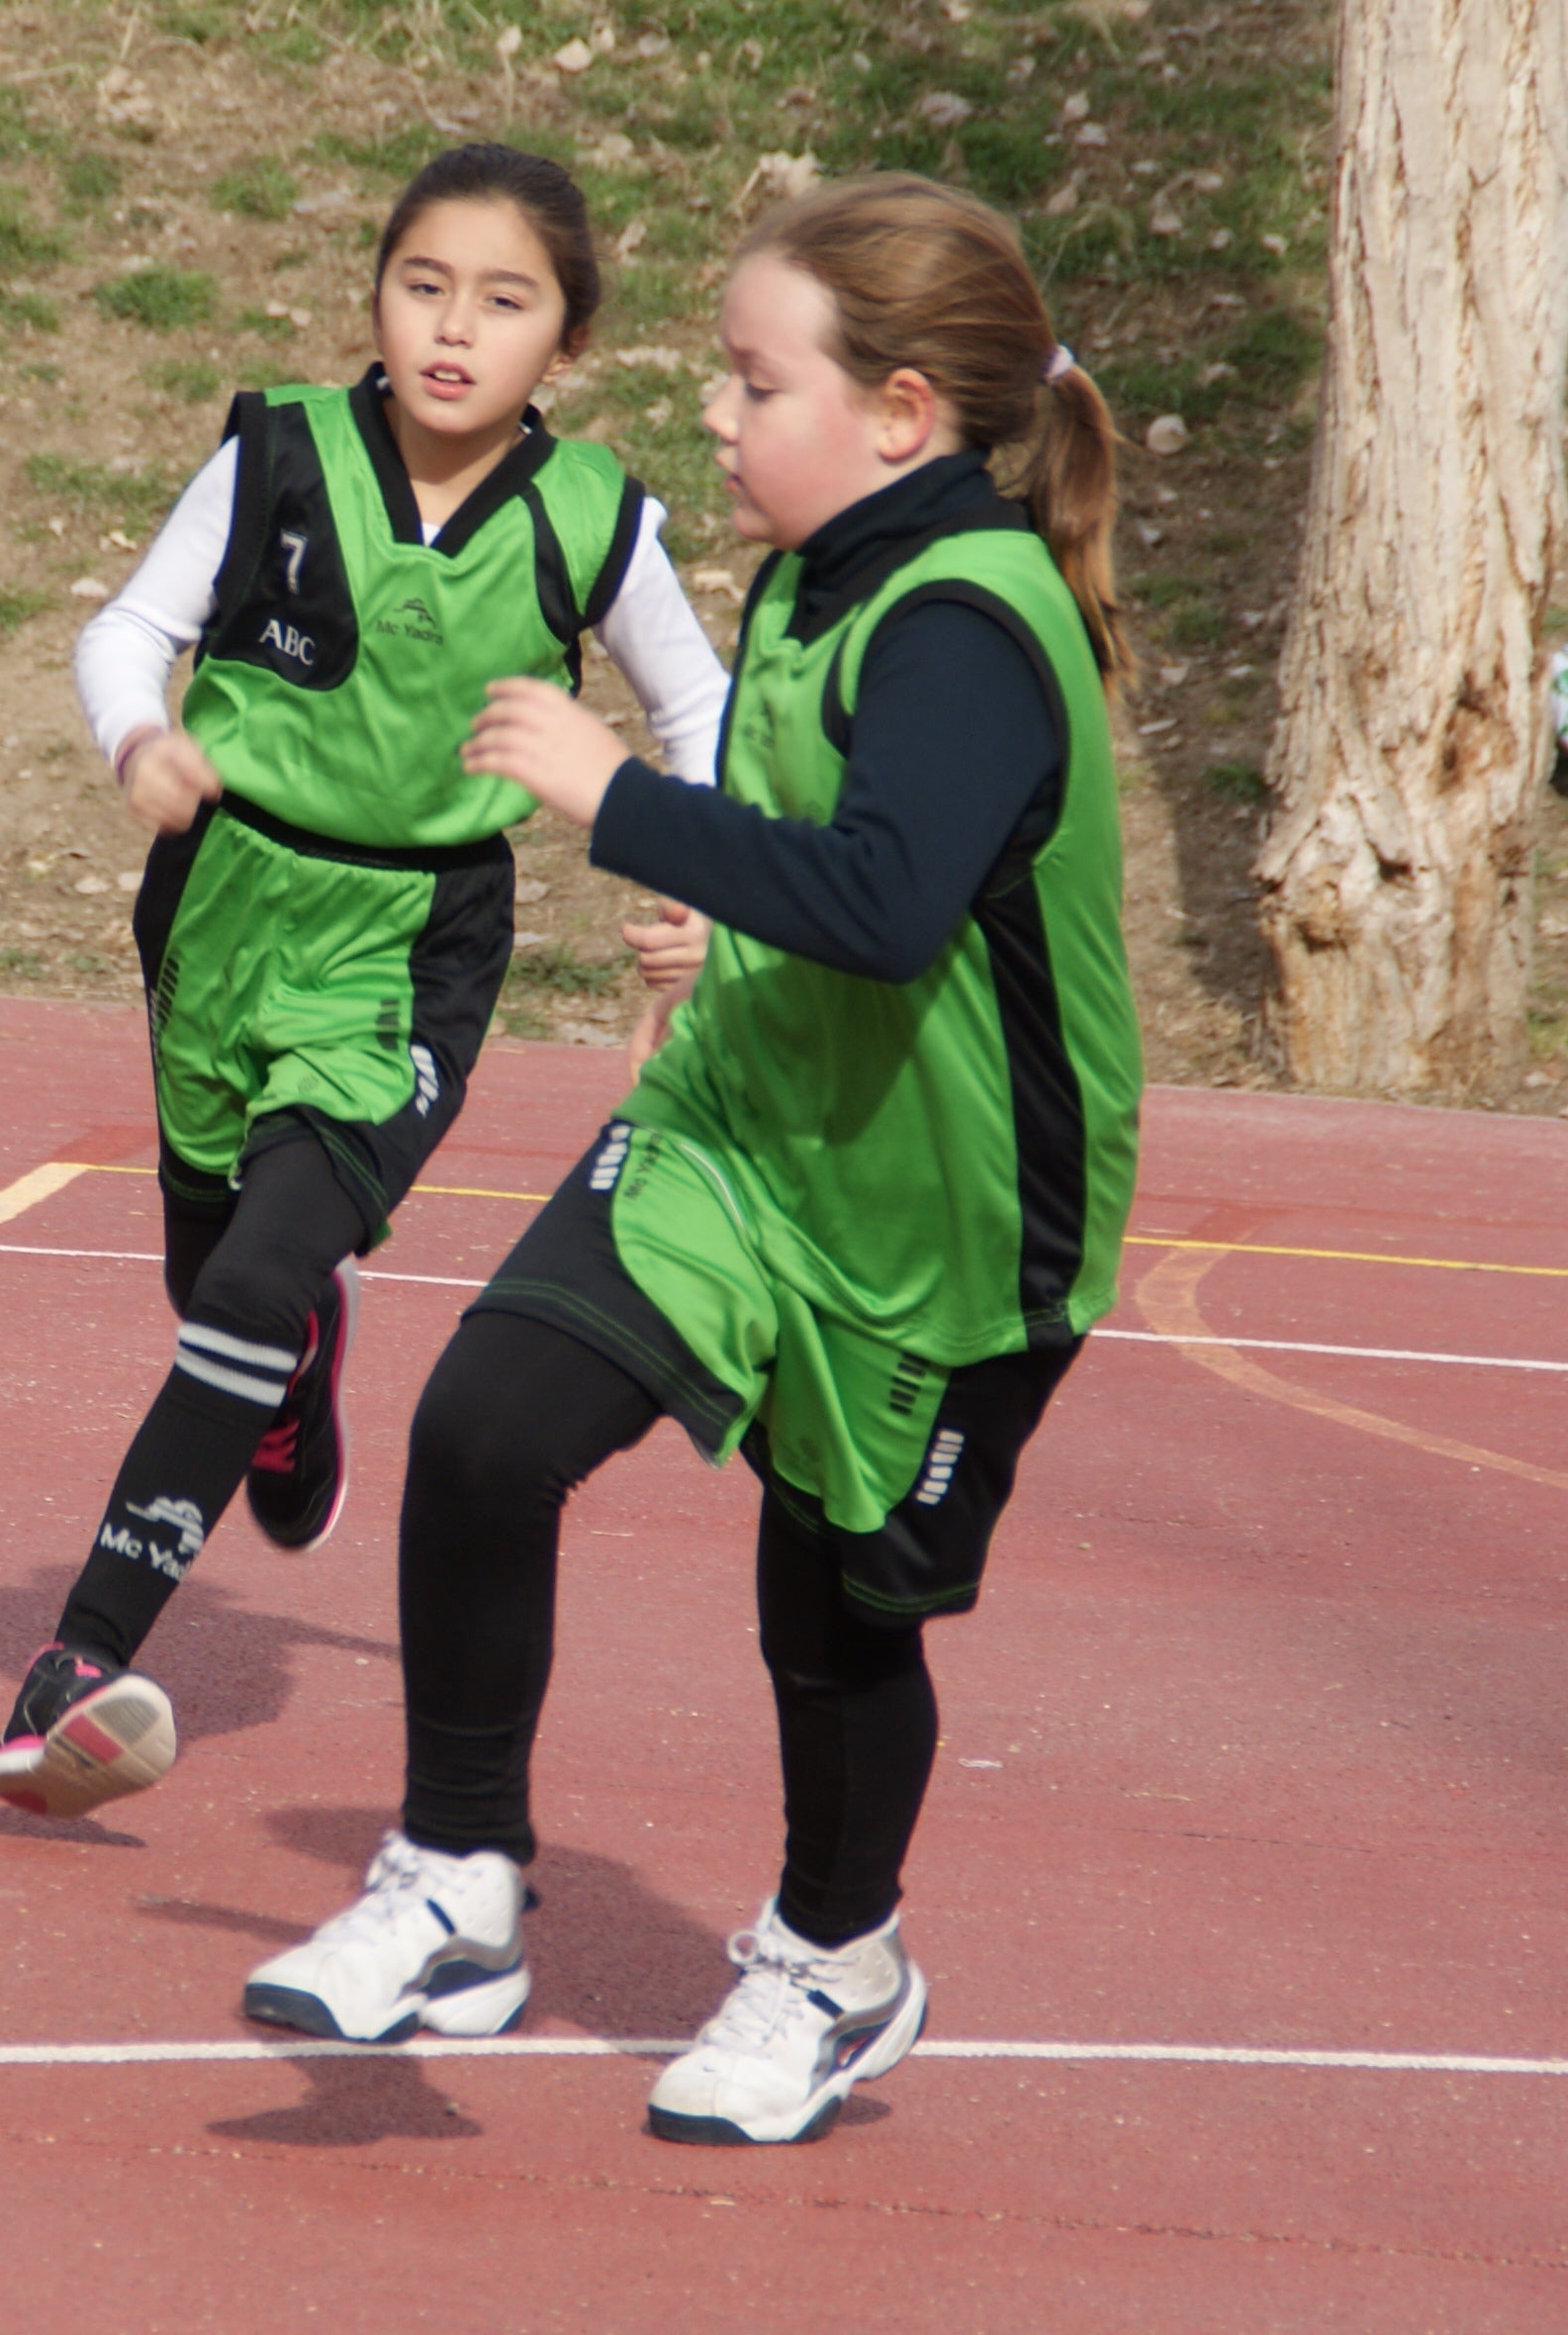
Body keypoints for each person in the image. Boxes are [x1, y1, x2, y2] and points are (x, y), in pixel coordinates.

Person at [239, 173, 1144, 2149]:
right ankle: (459, 1879)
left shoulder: (969, 620)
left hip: (949, 1221)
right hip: (746, 1128)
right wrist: (710, 927)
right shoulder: (815, 568)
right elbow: (819, 871)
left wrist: (619, 804)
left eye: (752, 382)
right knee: (483, 1425)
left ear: (897, 412)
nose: (714, 418)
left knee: (831, 1617)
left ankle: (835, 1958)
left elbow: (898, 903)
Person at [0, 143, 730, 1822]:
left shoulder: (594, 518)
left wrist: (694, 881)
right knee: (220, 1282)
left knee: (243, 1284)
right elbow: (121, 633)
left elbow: (707, 714)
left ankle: (81, 1655)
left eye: (504, 301)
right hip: (221, 908)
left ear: (566, 342)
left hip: (409, 951)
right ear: (375, 300)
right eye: (423, 286)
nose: (455, 328)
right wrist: (140, 738)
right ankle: (298, 1359)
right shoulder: (277, 458)